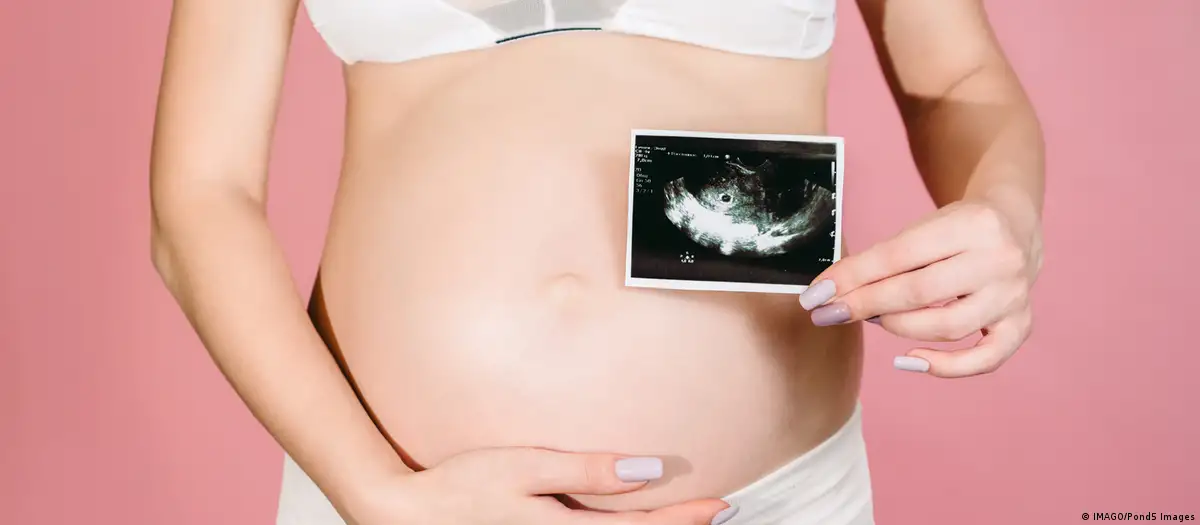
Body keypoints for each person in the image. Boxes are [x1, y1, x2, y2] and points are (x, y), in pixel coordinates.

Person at [149, 0, 1045, 523]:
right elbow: (201, 195)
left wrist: (1006, 211)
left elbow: (958, 81)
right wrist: (377, 494)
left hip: (771, 499)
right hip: (405, 507)